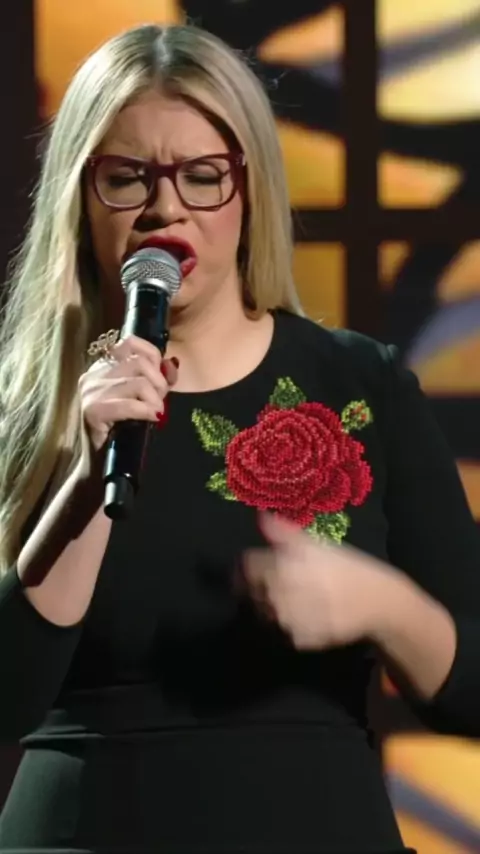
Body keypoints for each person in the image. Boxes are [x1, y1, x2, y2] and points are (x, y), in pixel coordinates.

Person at [0, 22, 479, 854]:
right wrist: (83, 477)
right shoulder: (25, 400)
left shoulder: (360, 384)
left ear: (249, 189)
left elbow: (472, 692)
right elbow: (8, 696)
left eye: (202, 176)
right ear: (80, 196)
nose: (166, 208)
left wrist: (382, 604)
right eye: (127, 178)